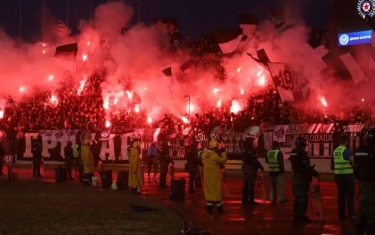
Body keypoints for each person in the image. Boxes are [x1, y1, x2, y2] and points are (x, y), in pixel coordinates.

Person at [289, 136, 319, 223]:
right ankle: (302, 215)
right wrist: (315, 173)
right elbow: (306, 166)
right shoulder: (302, 153)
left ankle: (296, 213)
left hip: (296, 176)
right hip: (302, 177)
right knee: (303, 196)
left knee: (297, 195)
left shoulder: (293, 152)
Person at [354, 128, 375, 234]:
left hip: (363, 184)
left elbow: (356, 168)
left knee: (363, 209)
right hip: (372, 185)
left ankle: (359, 230)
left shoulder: (358, 151)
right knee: (372, 211)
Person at [332, 135, 356, 220]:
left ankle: (341, 213)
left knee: (341, 194)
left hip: (338, 175)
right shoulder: (347, 151)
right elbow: (353, 162)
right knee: (350, 195)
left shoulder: (336, 150)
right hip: (347, 175)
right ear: (346, 141)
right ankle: (351, 213)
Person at [202, 139, 227, 214]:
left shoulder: (204, 155)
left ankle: (209, 209)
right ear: (215, 147)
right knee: (216, 192)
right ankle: (219, 209)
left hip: (207, 177)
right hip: (214, 177)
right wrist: (222, 150)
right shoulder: (215, 156)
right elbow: (223, 160)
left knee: (208, 192)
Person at [241, 136, 264, 205]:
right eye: (254, 142)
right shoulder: (250, 151)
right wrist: (260, 166)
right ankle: (250, 200)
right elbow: (254, 161)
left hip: (247, 168)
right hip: (250, 169)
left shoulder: (246, 151)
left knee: (246, 183)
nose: (256, 143)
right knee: (250, 184)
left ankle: (244, 199)